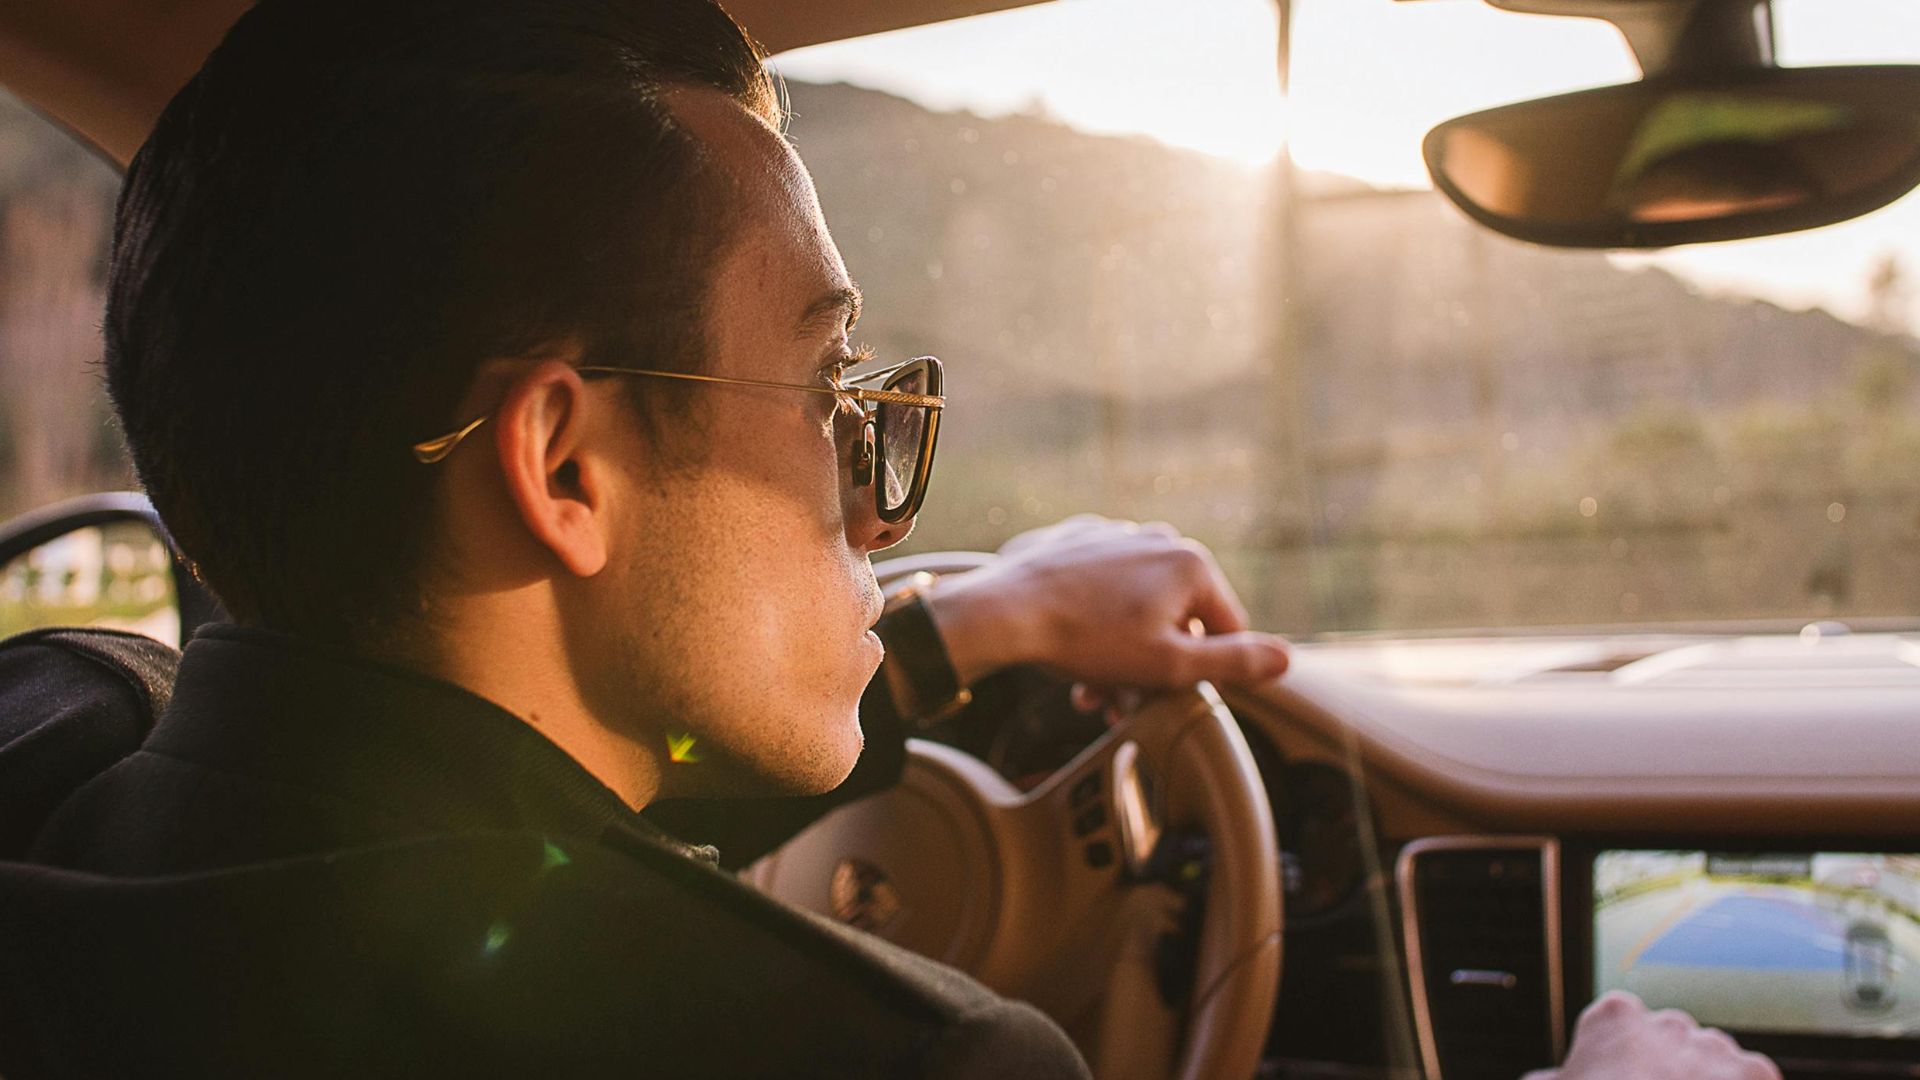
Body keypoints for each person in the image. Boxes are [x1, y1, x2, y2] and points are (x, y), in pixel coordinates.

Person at [2, 0, 1780, 1077]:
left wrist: (969, 629)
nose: (875, 502)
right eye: (827, 382)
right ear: (563, 464)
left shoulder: (58, 758)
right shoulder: (889, 1059)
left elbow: (445, 837)